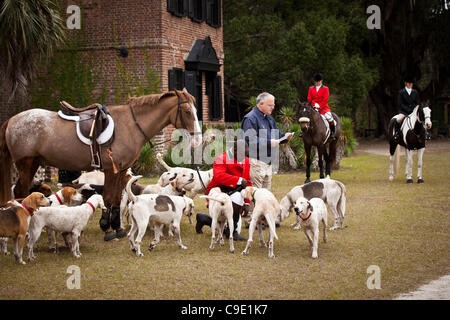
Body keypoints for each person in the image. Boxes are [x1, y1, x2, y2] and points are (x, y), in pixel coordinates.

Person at [195, 140, 252, 241]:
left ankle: (203, 218)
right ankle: (232, 232)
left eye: (246, 155)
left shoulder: (246, 161)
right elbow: (219, 176)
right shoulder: (221, 158)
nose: (244, 158)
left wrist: (247, 203)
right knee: (229, 226)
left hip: (234, 191)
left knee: (229, 224)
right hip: (218, 191)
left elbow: (247, 182)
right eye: (242, 155)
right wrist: (238, 180)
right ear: (234, 150)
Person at [241, 92, 294, 190]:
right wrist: (268, 142)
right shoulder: (250, 118)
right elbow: (250, 140)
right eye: (270, 105)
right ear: (261, 104)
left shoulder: (268, 117)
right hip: (255, 162)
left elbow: (276, 134)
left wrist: (285, 137)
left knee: (266, 196)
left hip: (268, 163)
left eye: (273, 105)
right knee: (256, 196)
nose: (273, 107)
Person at [394, 76, 428, 140]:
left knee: (421, 120)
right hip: (404, 112)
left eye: (411, 83)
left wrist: (414, 109)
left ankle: (426, 134)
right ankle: (397, 134)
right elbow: (400, 104)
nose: (410, 84)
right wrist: (407, 109)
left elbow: (417, 102)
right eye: (408, 83)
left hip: (413, 112)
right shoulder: (401, 92)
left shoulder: (415, 92)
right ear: (405, 83)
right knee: (398, 119)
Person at [307, 73, 336, 140]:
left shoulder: (325, 88)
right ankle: (303, 132)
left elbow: (325, 99)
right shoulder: (311, 88)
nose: (317, 83)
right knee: (306, 117)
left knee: (330, 118)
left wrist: (319, 106)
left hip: (323, 107)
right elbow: (309, 98)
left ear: (321, 81)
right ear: (314, 81)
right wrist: (314, 105)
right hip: (313, 107)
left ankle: (332, 133)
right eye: (316, 81)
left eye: (319, 81)